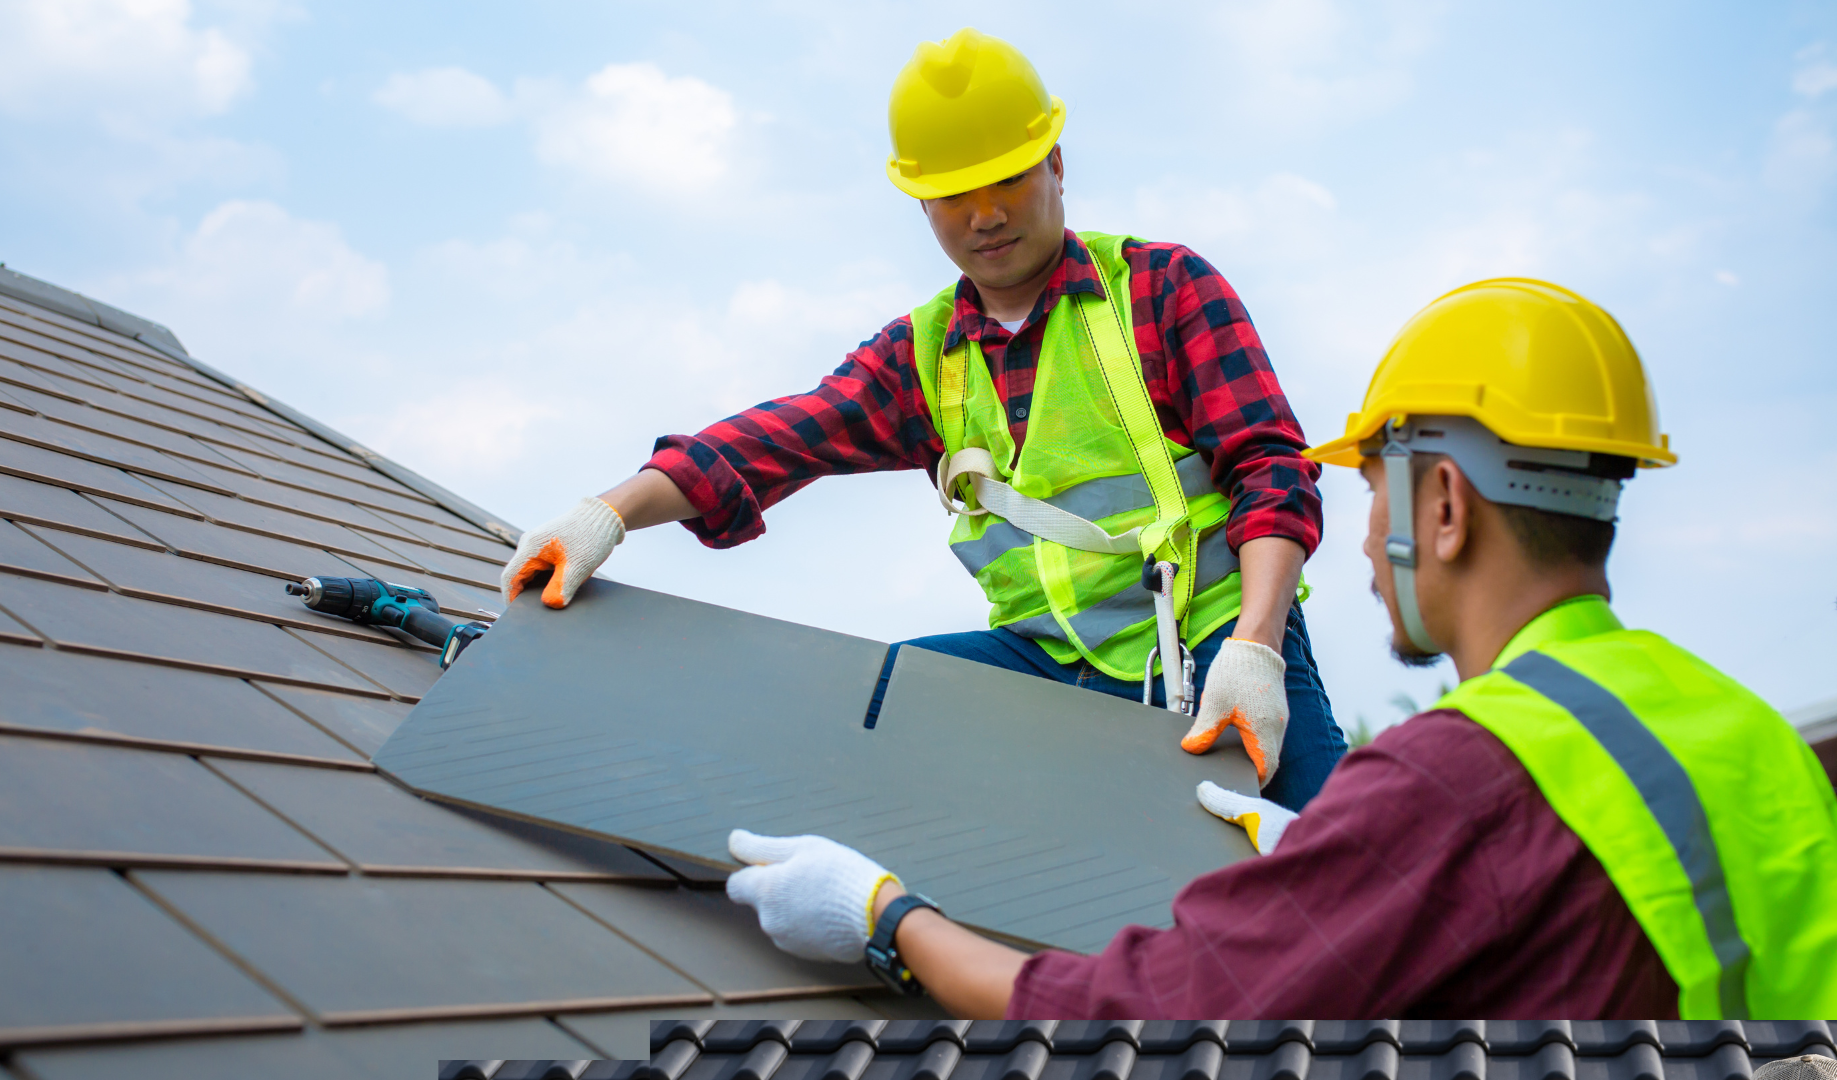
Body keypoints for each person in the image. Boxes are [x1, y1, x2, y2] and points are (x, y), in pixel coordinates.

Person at [721, 277, 1837, 1019]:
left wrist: (887, 920)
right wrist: (1341, 859)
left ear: (1443, 507)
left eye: (1368, 489)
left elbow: (1146, 1022)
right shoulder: (1741, 729)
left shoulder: (1458, 777)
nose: (1356, 533)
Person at [500, 28, 1345, 809]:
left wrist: (1258, 645)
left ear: (1057, 164)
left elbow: (1269, 467)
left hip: (1215, 641)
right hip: (1043, 663)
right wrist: (608, 513)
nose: (986, 213)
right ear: (921, 206)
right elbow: (778, 440)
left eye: (1009, 176)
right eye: (953, 193)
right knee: (883, 707)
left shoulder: (1161, 289)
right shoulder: (923, 354)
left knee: (1352, 869)